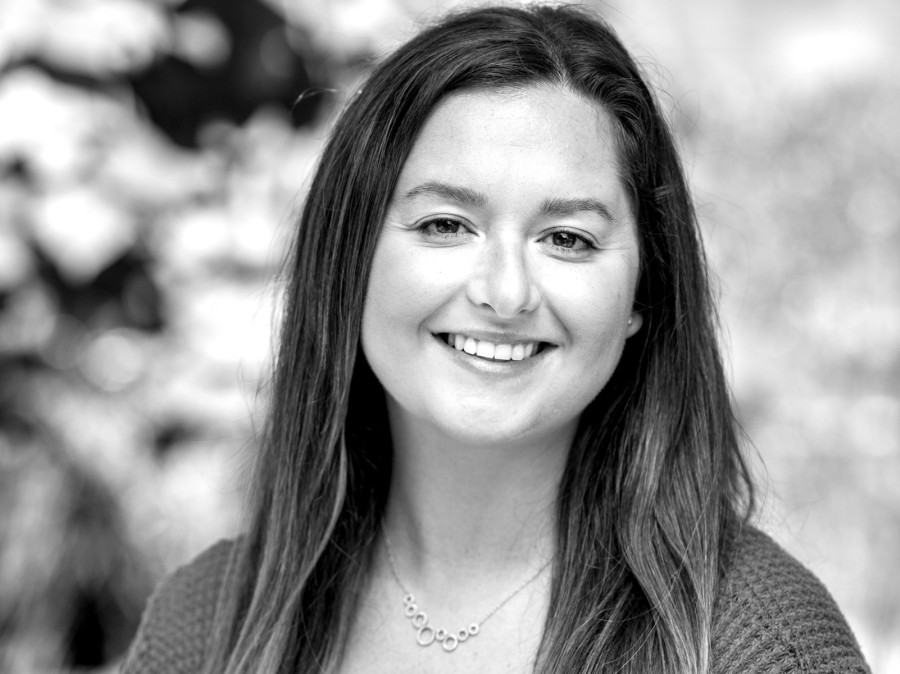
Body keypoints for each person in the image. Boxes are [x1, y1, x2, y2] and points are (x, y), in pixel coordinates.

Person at [122, 5, 870, 673]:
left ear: (643, 293)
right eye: (446, 225)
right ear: (348, 259)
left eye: (568, 238)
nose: (505, 292)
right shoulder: (203, 624)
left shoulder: (764, 645)